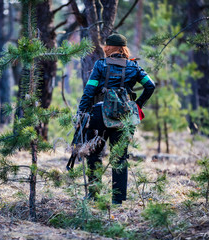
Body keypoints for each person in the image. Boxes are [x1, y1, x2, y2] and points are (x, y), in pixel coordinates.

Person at [77, 33, 155, 204]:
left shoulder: (100, 65)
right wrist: (137, 105)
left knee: (94, 154)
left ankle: (93, 195)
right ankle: (118, 201)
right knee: (120, 158)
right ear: (123, 49)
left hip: (98, 115)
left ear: (108, 48)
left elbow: (89, 91)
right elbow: (150, 85)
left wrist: (81, 112)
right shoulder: (134, 67)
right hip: (124, 117)